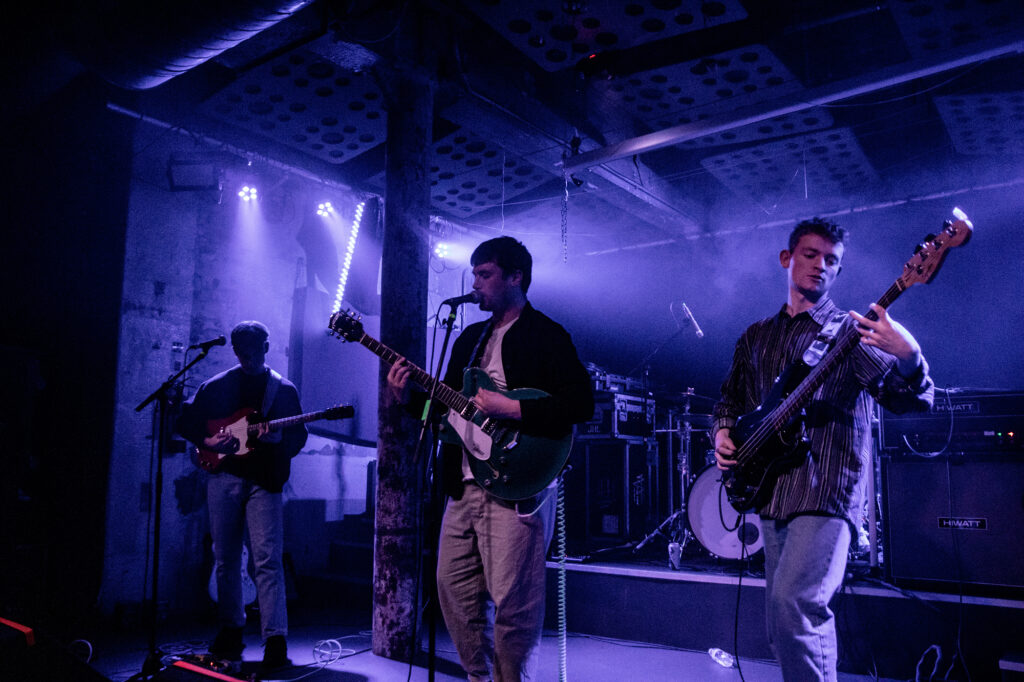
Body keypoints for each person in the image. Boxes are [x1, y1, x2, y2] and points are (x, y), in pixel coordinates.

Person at [712, 218, 934, 681]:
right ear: (786, 258)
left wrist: (910, 357)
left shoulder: (848, 332)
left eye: (831, 261)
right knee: (783, 623)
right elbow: (730, 399)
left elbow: (906, 398)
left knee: (796, 606)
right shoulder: (754, 337)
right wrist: (723, 433)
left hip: (827, 489)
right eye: (811, 255)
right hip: (772, 488)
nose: (820, 266)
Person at [387, 236, 594, 682]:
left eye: (485, 275)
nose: (475, 284)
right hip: (463, 483)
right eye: (474, 275)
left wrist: (512, 409)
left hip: (517, 483)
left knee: (513, 603)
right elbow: (443, 413)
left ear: (515, 277)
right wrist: (407, 400)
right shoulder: (467, 339)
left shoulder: (547, 334)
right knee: (452, 589)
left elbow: (581, 403)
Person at [176, 321, 307, 671]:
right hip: (224, 477)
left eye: (251, 351)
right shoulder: (218, 386)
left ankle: (275, 639)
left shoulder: (283, 390)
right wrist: (207, 442)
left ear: (265, 347)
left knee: (266, 560)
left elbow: (298, 436)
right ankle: (231, 630)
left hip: (265, 481)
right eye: (239, 351)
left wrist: (280, 442)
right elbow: (185, 420)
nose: (245, 357)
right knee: (225, 558)